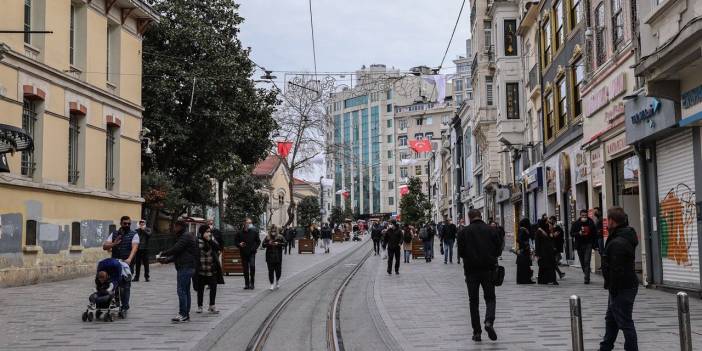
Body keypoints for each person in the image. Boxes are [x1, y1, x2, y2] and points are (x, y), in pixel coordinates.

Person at [457, 209, 503, 342]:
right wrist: (491, 256)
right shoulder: (491, 230)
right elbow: (498, 249)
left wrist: (470, 258)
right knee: (490, 298)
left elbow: (461, 252)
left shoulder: (463, 232)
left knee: (473, 301)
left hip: (471, 271)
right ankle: (489, 321)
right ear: (481, 216)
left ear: (469, 218)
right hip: (488, 270)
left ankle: (477, 332)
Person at [599, 207, 639, 351]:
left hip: (622, 287)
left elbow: (617, 269)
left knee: (625, 322)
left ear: (612, 221)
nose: (606, 222)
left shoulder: (618, 242)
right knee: (611, 320)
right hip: (620, 287)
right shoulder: (621, 235)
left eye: (607, 219)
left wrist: (613, 288)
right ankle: (605, 347)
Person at [158, 219, 198, 323]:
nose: (174, 229)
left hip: (186, 266)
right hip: (187, 266)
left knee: (181, 290)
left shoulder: (185, 236)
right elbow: (179, 253)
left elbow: (176, 249)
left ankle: (183, 314)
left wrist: (163, 253)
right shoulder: (185, 236)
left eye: (175, 226)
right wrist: (166, 261)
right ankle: (186, 314)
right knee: (185, 291)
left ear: (180, 227)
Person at [102, 215, 139, 314]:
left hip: (126, 264)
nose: (127, 225)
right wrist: (114, 244)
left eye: (129, 223)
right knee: (114, 284)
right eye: (125, 223)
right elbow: (105, 246)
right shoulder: (114, 234)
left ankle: (125, 306)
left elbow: (134, 248)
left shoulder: (134, 234)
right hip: (115, 263)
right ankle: (116, 303)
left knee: (125, 286)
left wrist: (129, 259)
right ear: (121, 223)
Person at [194, 225, 224, 314]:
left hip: (211, 268)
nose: (209, 233)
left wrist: (209, 240)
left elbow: (218, 247)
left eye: (209, 231)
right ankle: (200, 306)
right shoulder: (197, 241)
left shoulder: (212, 240)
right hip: (201, 268)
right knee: (200, 288)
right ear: (202, 232)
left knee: (213, 287)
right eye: (207, 231)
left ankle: (212, 306)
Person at [571, 209, 598, 284]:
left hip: (588, 244)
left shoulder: (590, 222)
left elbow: (595, 234)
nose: (584, 217)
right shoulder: (576, 223)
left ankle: (587, 278)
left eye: (585, 215)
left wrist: (595, 245)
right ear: (580, 215)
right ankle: (586, 273)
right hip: (579, 244)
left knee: (587, 261)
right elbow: (571, 233)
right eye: (583, 216)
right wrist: (578, 233)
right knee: (583, 262)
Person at [235, 218, 261, 290]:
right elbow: (236, 242)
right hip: (243, 253)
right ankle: (246, 284)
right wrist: (239, 244)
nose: (249, 224)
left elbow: (258, 241)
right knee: (245, 269)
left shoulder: (254, 232)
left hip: (252, 253)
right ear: (244, 223)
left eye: (250, 223)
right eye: (248, 223)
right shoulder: (239, 233)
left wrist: (254, 248)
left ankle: (252, 283)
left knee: (252, 267)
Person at [262, 225, 286, 290]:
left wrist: (278, 244)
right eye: (272, 231)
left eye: (274, 231)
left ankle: (277, 281)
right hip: (269, 257)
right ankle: (272, 283)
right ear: (270, 231)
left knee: (278, 271)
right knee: (270, 271)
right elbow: (263, 245)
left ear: (276, 231)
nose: (273, 232)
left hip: (278, 257)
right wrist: (268, 243)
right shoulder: (267, 237)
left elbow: (285, 243)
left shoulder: (280, 237)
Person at [535, 218, 558, 285]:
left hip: (549, 252)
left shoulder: (547, 230)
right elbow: (537, 244)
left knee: (551, 266)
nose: (548, 224)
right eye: (546, 223)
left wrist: (552, 234)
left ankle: (552, 280)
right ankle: (543, 280)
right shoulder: (539, 232)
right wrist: (538, 254)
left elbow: (551, 239)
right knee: (543, 267)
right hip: (543, 253)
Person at [516, 218, 534, 284]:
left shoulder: (522, 229)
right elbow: (518, 239)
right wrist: (525, 244)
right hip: (524, 250)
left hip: (523, 250)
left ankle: (525, 279)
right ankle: (525, 280)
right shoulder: (523, 229)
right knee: (525, 265)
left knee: (525, 265)